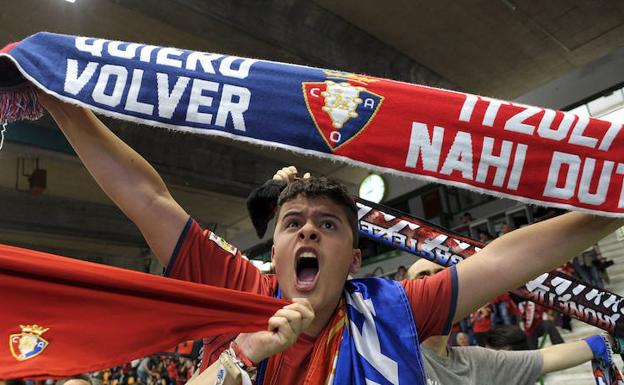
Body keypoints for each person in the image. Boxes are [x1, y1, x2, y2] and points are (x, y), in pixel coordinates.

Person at [37, 93, 624, 384]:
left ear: (353, 257)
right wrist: (54, 98)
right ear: (277, 252)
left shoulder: (392, 310)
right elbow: (148, 199)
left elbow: (504, 259)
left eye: (328, 224)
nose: (309, 229)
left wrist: (614, 203)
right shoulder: (239, 290)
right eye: (293, 224)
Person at [408, 258, 615, 385]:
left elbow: (545, 358)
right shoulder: (393, 356)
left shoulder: (475, 360)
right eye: (422, 277)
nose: (434, 283)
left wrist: (609, 341)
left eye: (440, 275)